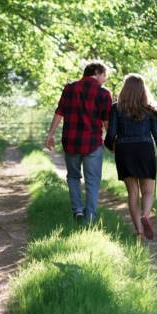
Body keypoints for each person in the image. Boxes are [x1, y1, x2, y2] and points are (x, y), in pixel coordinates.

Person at [45, 61, 113, 225]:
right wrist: (112, 140)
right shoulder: (103, 94)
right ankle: (90, 217)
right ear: (97, 72)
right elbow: (106, 121)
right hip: (92, 142)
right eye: (104, 76)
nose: (105, 80)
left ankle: (78, 211)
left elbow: (59, 112)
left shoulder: (70, 88)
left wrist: (50, 134)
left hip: (71, 141)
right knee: (92, 181)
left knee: (73, 177)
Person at [104, 73, 157, 240]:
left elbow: (111, 134)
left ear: (125, 89)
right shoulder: (150, 109)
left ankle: (139, 231)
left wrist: (111, 147)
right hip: (145, 149)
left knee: (133, 192)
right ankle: (145, 215)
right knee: (148, 192)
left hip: (125, 150)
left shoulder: (116, 108)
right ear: (142, 89)